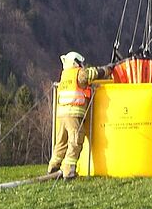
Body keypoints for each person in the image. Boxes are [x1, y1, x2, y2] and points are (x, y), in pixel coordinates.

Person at [48, 51, 112, 179]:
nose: (82, 65)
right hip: (73, 113)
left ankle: (53, 166)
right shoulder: (78, 73)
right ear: (75, 62)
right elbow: (91, 74)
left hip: (62, 114)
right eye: (80, 63)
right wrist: (107, 70)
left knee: (61, 141)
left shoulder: (65, 75)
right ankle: (69, 171)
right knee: (76, 139)